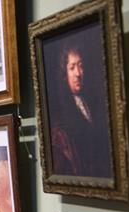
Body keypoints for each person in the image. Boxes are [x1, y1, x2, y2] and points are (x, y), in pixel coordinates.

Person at [50, 44, 112, 178]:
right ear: (64, 74)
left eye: (80, 66)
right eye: (72, 68)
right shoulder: (62, 112)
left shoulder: (93, 103)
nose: (78, 73)